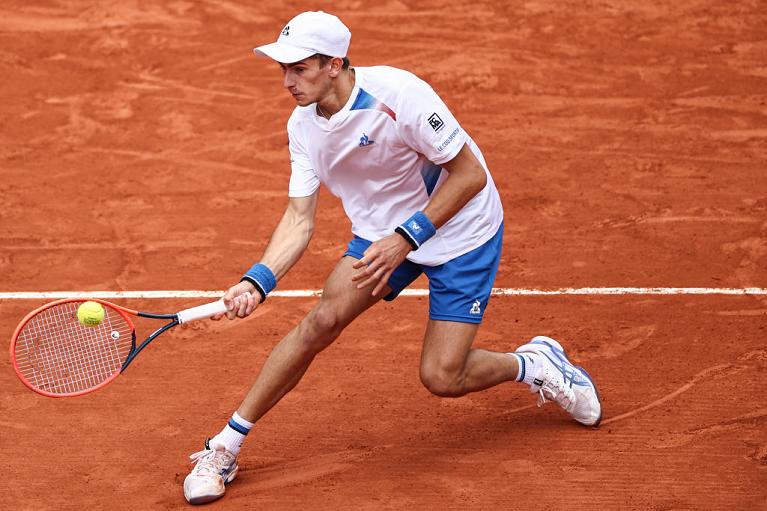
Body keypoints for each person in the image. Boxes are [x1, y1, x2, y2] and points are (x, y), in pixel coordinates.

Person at [182, 10, 601, 504]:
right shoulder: (303, 128)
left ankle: (534, 364)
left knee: (442, 377)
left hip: (461, 230)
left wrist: (408, 236)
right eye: (283, 70)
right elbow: (299, 220)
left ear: (334, 64)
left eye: (300, 69)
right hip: (382, 234)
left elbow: (470, 176)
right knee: (319, 323)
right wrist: (257, 280)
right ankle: (224, 447)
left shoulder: (400, 95)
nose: (288, 82)